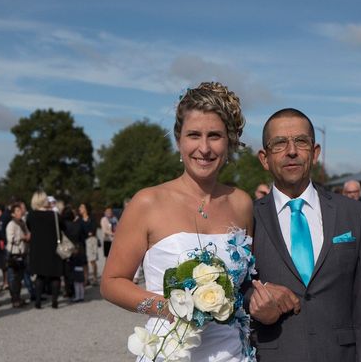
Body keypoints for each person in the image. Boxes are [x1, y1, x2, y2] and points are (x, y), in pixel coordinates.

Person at [101, 81, 255, 361]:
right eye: (194, 135)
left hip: (232, 353)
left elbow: (246, 284)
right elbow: (112, 282)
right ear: (178, 140)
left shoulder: (242, 203)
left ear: (229, 141)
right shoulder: (147, 202)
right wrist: (169, 307)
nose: (204, 148)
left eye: (215, 136)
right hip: (171, 353)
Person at [249, 108, 361, 362]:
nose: (291, 151)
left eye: (301, 141)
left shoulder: (354, 214)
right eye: (279, 143)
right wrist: (254, 297)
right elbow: (237, 290)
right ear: (264, 158)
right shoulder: (248, 218)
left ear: (315, 152)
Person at [27, 190, 64, 309]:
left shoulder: (31, 215)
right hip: (53, 248)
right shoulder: (54, 215)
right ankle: (54, 301)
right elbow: (62, 228)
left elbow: (30, 228)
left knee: (40, 276)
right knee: (55, 275)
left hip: (38, 249)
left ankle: (38, 301)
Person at [5, 203, 30, 308]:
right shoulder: (11, 224)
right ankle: (14, 299)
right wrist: (23, 237)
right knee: (13, 278)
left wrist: (28, 237)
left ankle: (18, 297)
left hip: (22, 253)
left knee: (19, 278)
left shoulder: (22, 223)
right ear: (13, 214)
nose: (20, 213)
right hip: (14, 254)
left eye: (21, 210)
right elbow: (11, 239)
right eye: (18, 211)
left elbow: (28, 233)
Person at [78, 203, 99, 285]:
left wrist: (89, 233)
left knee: (92, 260)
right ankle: (86, 279)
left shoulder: (91, 218)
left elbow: (93, 230)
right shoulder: (79, 220)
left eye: (82, 207)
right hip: (83, 241)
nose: (80, 208)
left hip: (91, 241)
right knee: (84, 262)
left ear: (86, 209)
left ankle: (94, 278)